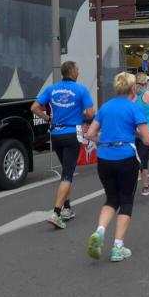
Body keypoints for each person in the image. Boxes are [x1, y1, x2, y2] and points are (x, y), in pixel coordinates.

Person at [85, 72, 149, 262]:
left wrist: (105, 140)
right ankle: (117, 247)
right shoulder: (134, 108)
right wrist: (136, 134)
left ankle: (99, 231)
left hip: (104, 158)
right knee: (126, 200)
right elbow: (148, 139)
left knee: (111, 198)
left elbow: (90, 134)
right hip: (125, 158)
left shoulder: (106, 107)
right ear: (133, 89)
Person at [31, 61, 94, 229]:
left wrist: (48, 119)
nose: (78, 72)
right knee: (67, 175)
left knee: (66, 171)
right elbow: (91, 113)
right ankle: (56, 213)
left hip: (56, 134)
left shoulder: (52, 89)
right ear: (72, 72)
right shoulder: (81, 89)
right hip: (73, 133)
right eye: (77, 70)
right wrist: (81, 116)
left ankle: (67, 208)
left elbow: (34, 107)